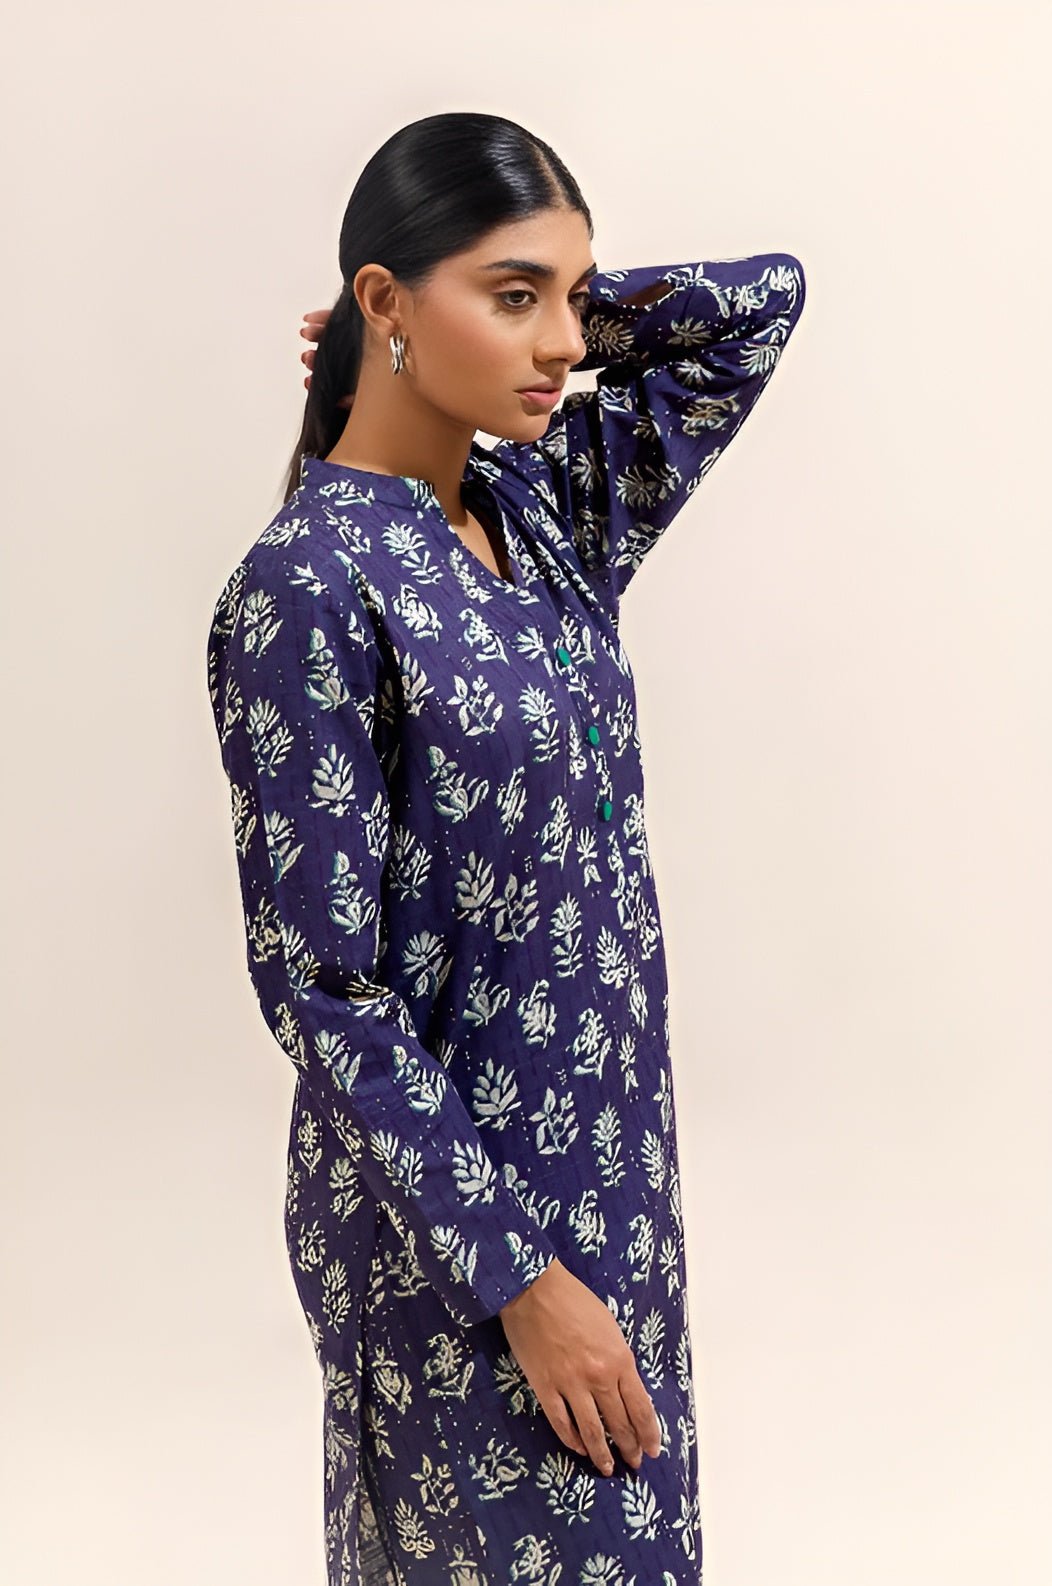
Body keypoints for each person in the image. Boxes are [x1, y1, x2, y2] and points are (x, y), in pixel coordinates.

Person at [206, 109, 805, 1586]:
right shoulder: (306, 588)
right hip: (455, 1240)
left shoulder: (549, 512)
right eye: (515, 294)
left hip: (613, 1187)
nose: (561, 344)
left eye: (574, 297)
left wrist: (547, 319)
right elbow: (326, 994)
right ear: (384, 298)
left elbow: (763, 307)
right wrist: (520, 1281)